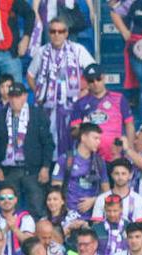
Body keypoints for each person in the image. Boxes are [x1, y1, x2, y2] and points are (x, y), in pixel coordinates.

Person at [27, 18, 95, 158]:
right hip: (48, 107)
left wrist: (85, 91)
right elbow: (30, 75)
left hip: (73, 106)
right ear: (49, 33)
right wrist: (39, 93)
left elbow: (93, 71)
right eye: (53, 31)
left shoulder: (77, 50)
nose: (57, 34)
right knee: (50, 141)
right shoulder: (41, 52)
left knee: (72, 141)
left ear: (66, 33)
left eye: (61, 31)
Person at [0, 84, 54, 217]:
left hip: (32, 170)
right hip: (9, 170)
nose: (14, 100)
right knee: (10, 210)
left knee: (37, 208)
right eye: (12, 97)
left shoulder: (37, 114)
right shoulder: (2, 115)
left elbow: (48, 143)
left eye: (18, 96)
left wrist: (45, 167)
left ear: (25, 96)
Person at [70, 64, 134, 161]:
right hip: (91, 158)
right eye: (91, 81)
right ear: (86, 83)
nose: (95, 83)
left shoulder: (119, 98)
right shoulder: (80, 103)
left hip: (116, 155)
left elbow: (129, 125)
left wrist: (130, 149)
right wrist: (84, 128)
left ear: (103, 78)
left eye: (98, 79)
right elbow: (74, 131)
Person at [55, 123, 110, 216]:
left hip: (93, 216)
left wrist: (94, 200)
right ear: (83, 137)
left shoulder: (99, 162)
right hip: (68, 215)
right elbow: (55, 190)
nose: (98, 142)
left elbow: (107, 192)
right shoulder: (65, 159)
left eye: (99, 139)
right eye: (95, 138)